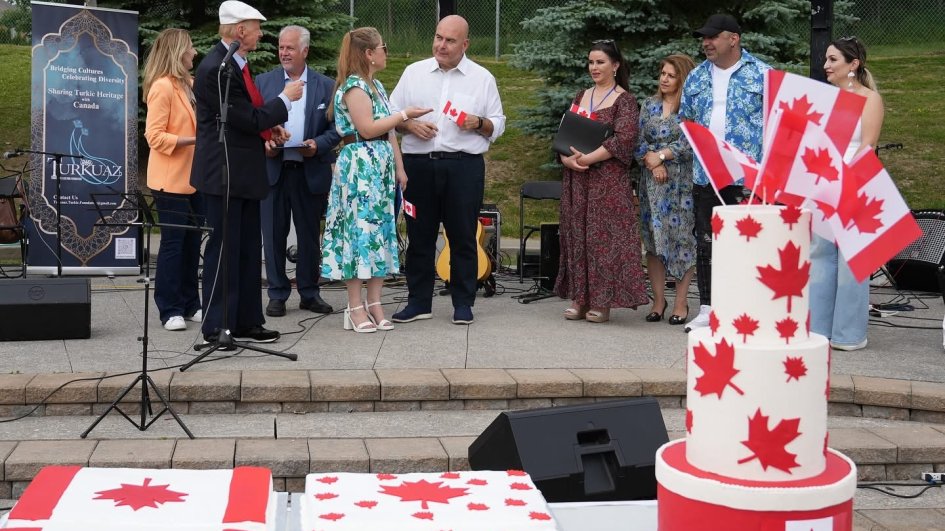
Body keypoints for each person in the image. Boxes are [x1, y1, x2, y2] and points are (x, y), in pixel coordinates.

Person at [190, 0, 303, 347]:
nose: (261, 33)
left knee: (248, 249)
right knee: (225, 251)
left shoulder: (236, 65)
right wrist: (284, 100)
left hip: (242, 173)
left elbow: (249, 117)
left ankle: (247, 320)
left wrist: (272, 129)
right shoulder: (216, 69)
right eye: (256, 26)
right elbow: (244, 119)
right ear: (240, 31)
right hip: (224, 174)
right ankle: (217, 325)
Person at [389, 15, 506, 326]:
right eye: (438, 37)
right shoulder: (413, 73)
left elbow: (498, 123)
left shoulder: (482, 78)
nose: (441, 45)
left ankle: (463, 303)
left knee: (463, 236)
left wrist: (478, 123)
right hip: (419, 167)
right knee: (419, 236)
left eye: (450, 40)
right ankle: (418, 303)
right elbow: (389, 115)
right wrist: (409, 124)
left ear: (465, 44)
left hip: (463, 167)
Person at [320, 27, 431, 333]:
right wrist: (405, 114)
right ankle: (355, 306)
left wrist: (400, 168)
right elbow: (368, 128)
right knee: (360, 236)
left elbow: (389, 132)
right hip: (359, 168)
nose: (386, 51)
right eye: (383, 47)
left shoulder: (377, 86)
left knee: (382, 234)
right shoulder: (355, 87)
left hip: (380, 168)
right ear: (369, 54)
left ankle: (375, 302)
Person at [678, 13, 771, 332]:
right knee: (706, 243)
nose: (706, 42)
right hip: (706, 175)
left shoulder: (762, 74)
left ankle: (747, 309)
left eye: (713, 36)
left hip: (749, 178)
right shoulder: (696, 77)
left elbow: (778, 123)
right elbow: (685, 118)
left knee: (749, 243)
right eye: (704, 37)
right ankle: (708, 309)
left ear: (734, 38)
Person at [555, 39, 649, 324]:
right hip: (577, 179)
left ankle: (602, 301)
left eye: (600, 62)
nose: (594, 67)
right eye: (591, 62)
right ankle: (579, 298)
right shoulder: (582, 95)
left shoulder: (625, 100)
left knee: (604, 240)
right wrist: (566, 159)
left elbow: (623, 140)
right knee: (577, 234)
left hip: (606, 182)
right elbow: (565, 131)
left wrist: (588, 159)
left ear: (615, 65)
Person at [257, 25, 340, 318]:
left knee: (308, 236)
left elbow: (337, 129)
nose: (283, 53)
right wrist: (264, 142)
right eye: (281, 47)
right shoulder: (263, 83)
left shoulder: (326, 85)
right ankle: (277, 293)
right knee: (273, 235)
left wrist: (317, 145)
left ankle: (309, 292)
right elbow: (253, 122)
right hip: (273, 171)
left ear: (305, 50)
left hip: (309, 170)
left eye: (290, 48)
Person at [810, 36, 884, 352]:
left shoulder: (870, 99)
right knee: (820, 256)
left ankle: (849, 333)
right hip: (825, 184)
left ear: (853, 64)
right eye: (826, 59)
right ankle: (819, 329)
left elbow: (868, 144)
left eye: (833, 60)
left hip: (855, 183)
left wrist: (844, 179)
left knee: (851, 261)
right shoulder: (828, 99)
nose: (826, 66)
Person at [143, 29, 204, 332]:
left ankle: (191, 303)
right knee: (173, 245)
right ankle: (169, 309)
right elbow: (153, 136)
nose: (194, 53)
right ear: (179, 51)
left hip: (196, 179)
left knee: (193, 244)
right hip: (170, 180)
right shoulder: (162, 87)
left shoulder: (190, 85)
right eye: (191, 48)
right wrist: (192, 140)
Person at [635, 54, 697, 325]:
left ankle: (681, 303)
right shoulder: (649, 105)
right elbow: (635, 140)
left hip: (680, 185)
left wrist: (661, 156)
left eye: (671, 75)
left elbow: (691, 143)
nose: (664, 78)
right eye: (662, 73)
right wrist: (651, 160)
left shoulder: (691, 108)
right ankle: (658, 301)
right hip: (651, 183)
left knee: (682, 242)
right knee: (653, 243)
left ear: (682, 78)